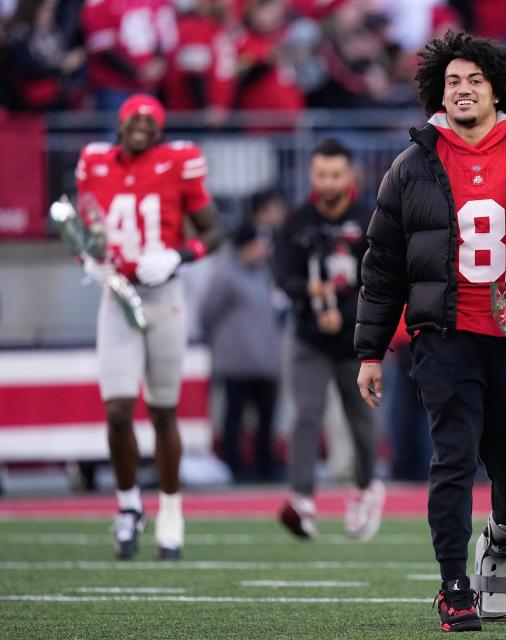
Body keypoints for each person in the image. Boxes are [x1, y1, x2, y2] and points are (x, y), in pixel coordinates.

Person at [354, 31, 506, 632]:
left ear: (496, 90)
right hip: (444, 333)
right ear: (439, 90)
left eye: (474, 80)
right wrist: (371, 351)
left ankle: (503, 544)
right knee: (453, 458)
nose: (462, 90)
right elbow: (382, 266)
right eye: (453, 81)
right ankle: (454, 585)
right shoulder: (413, 164)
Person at [74, 93, 223, 560]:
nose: (140, 125)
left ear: (160, 129)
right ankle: (127, 506)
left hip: (164, 296)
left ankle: (172, 508)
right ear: (119, 124)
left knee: (163, 411)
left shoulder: (179, 162)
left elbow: (214, 233)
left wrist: (178, 255)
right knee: (117, 410)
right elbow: (86, 226)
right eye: (133, 119)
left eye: (149, 120)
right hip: (116, 296)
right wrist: (86, 257)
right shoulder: (95, 162)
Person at [274, 138, 384, 541]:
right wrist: (313, 294)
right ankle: (302, 498)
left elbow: (381, 279)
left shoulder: (369, 219)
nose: (329, 182)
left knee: (361, 420)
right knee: (305, 414)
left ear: (350, 175)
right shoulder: (296, 220)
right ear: (311, 174)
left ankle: (365, 487)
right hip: (309, 335)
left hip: (356, 340)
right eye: (322, 174)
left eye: (336, 174)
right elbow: (283, 277)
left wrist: (349, 311)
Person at [199, 224, 281, 482]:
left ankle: (263, 464)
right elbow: (207, 313)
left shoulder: (264, 273)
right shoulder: (225, 275)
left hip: (265, 361)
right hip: (236, 361)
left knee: (266, 417)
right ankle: (233, 464)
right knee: (234, 415)